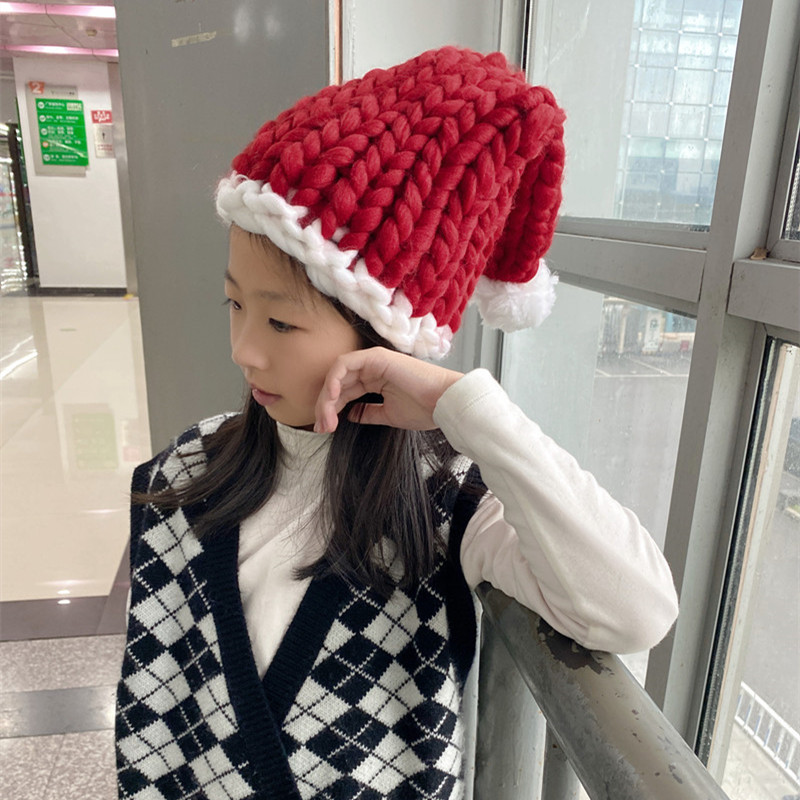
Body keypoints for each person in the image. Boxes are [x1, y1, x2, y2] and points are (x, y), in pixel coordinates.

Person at [115, 46, 679, 800]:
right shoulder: (186, 475)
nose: (243, 349)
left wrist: (461, 405)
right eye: (235, 304)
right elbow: (149, 724)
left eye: (281, 322)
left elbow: (635, 609)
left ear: (381, 341)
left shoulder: (445, 508)